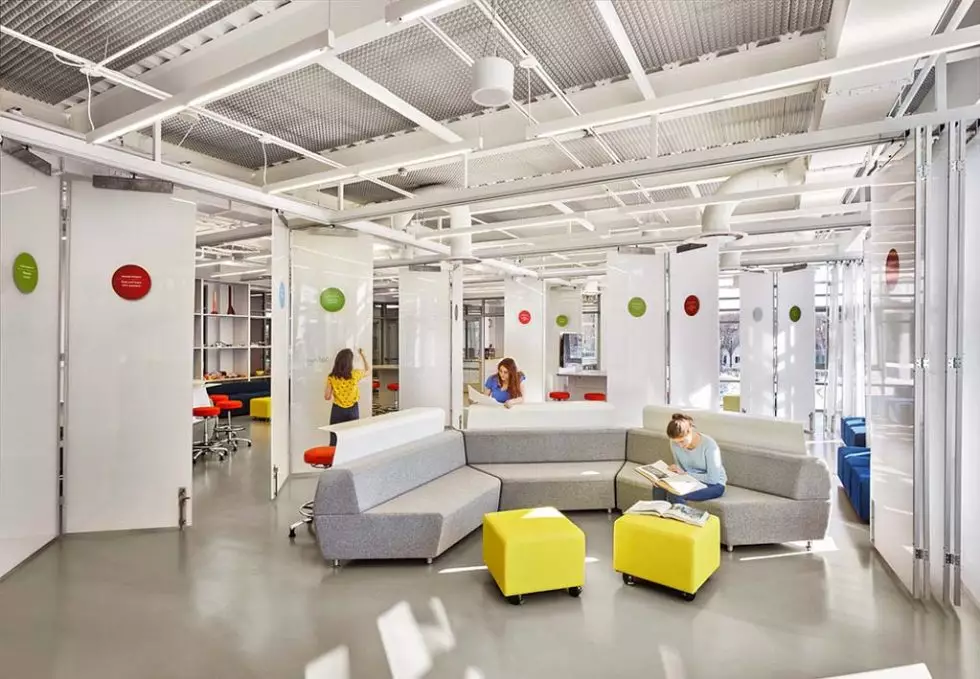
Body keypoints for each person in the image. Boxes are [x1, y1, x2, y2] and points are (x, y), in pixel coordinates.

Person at [662, 412, 727, 504]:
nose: (680, 446)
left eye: (682, 441)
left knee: (676, 494)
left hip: (714, 485)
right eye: (676, 442)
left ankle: (681, 513)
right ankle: (658, 513)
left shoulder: (709, 445)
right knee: (659, 487)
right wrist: (674, 471)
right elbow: (680, 468)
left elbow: (712, 479)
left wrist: (685, 474)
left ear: (690, 431)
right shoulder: (674, 443)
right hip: (689, 480)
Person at [324, 348, 370, 444]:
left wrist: (337, 390)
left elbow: (327, 397)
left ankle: (334, 454)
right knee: (353, 438)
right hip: (353, 409)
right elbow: (369, 370)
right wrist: (363, 355)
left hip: (337, 410)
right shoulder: (355, 374)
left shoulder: (331, 377)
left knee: (335, 439)